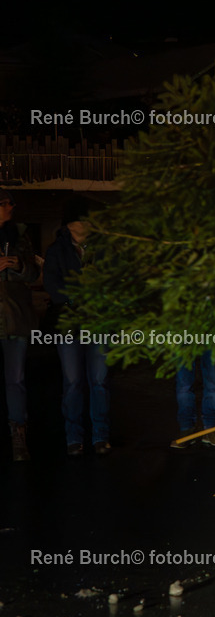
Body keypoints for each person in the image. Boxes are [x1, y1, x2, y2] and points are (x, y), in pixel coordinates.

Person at [43, 197, 112, 456]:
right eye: (81, 220)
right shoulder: (57, 250)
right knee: (73, 381)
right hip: (69, 324)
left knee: (99, 380)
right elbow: (51, 282)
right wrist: (74, 295)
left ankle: (101, 436)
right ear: (70, 224)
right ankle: (74, 437)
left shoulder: (104, 248)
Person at [0, 190, 39, 461]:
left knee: (16, 380)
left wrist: (18, 265)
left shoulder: (19, 235)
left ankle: (18, 436)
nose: (11, 207)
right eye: (5, 203)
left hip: (15, 318)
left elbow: (34, 272)